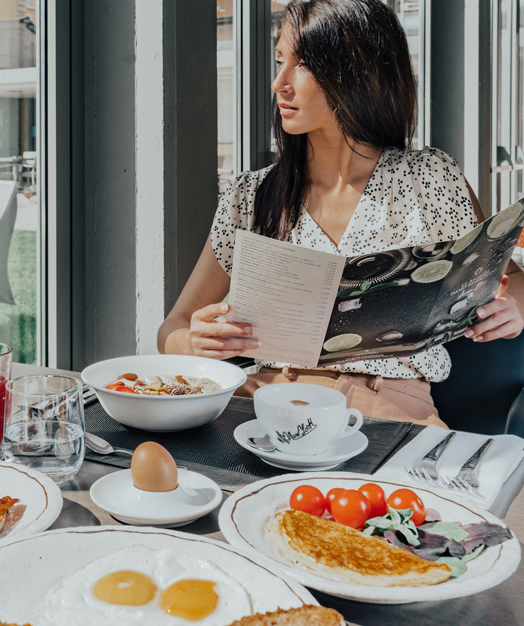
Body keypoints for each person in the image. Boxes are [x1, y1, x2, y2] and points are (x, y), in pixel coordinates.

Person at [158, 0, 524, 426]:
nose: (279, 83)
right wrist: (193, 342)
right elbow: (173, 328)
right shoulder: (251, 196)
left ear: (356, 72)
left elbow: (510, 278)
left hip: (391, 408)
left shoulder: (429, 177)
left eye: (302, 65)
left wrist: (514, 304)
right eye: (280, 61)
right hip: (264, 403)